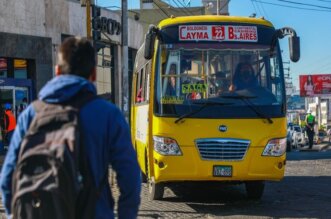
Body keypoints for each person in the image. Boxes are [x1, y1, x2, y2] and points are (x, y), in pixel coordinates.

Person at [0, 37, 141, 218]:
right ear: (94, 74)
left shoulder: (30, 115)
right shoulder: (108, 115)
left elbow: (7, 178)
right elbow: (130, 177)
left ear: (57, 71)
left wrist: (17, 214)